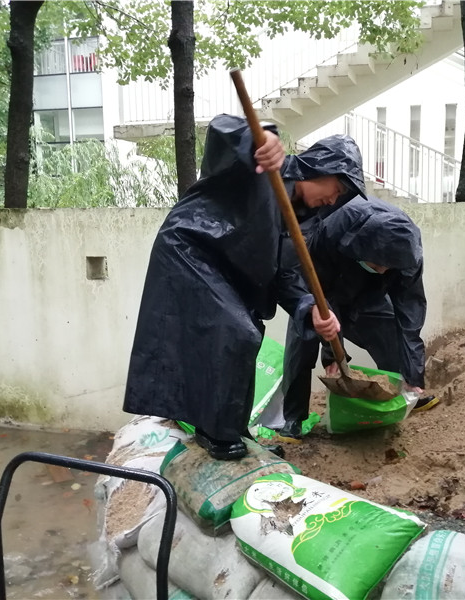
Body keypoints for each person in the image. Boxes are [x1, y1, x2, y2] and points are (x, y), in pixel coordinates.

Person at [123, 114, 367, 460]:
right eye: (337, 189)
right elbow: (222, 136)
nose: (334, 200)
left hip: (226, 270)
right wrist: (259, 141)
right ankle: (216, 431)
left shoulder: (307, 220)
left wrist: (309, 307)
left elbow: (284, 275)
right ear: (320, 168)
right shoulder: (266, 167)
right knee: (237, 330)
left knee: (250, 329)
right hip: (191, 247)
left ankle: (233, 426)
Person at [278, 195, 436, 440]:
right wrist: (331, 351)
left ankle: (407, 393)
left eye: (388, 267)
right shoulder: (333, 228)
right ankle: (293, 419)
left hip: (368, 295)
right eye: (377, 264)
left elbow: (410, 311)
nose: (383, 270)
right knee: (302, 342)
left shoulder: (406, 252)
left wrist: (414, 371)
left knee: (390, 331)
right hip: (322, 292)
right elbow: (319, 289)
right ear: (364, 248)